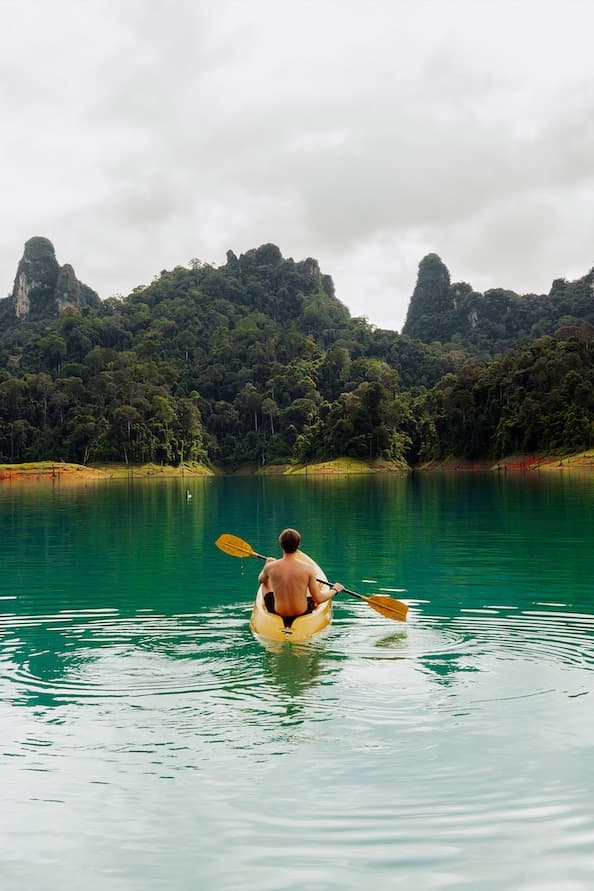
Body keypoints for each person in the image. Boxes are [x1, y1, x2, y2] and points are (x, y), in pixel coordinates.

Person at [258, 528, 344, 623]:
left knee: (265, 583)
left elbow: (261, 580)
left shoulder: (270, 567)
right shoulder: (308, 569)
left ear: (281, 545)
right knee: (307, 589)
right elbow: (318, 599)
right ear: (298, 545)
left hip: (278, 611)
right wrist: (335, 590)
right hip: (302, 612)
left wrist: (267, 564)